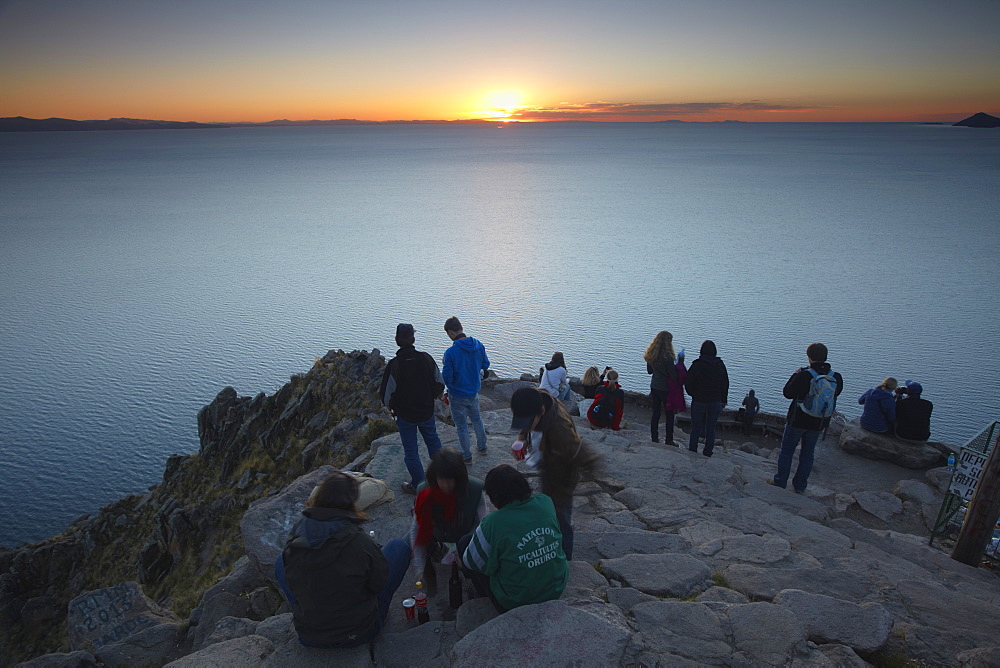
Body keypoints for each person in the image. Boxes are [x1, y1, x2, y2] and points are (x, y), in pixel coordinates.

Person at [275, 472, 410, 648]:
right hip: (361, 632)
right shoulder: (358, 541)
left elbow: (293, 581)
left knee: (280, 562)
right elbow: (378, 584)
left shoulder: (298, 531)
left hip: (309, 636)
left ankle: (311, 616)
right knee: (398, 547)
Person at [458, 465, 568, 612]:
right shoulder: (545, 502)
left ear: (496, 498)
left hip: (515, 601)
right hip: (556, 588)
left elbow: (471, 561)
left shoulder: (493, 522)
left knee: (465, 543)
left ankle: (484, 595)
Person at [509, 386, 600, 560]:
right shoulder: (537, 399)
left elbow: (586, 456)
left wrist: (591, 487)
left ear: (541, 411)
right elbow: (526, 426)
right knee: (548, 512)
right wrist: (521, 440)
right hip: (548, 466)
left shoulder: (561, 430)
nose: (526, 426)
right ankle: (550, 546)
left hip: (562, 478)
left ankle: (565, 560)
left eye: (528, 421)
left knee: (561, 519)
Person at [379, 323, 444, 494]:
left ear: (396, 340)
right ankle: (443, 477)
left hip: (405, 416)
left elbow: (386, 396)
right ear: (413, 339)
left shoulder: (394, 365)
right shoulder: (426, 358)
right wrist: (429, 397)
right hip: (426, 411)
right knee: (433, 441)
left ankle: (418, 485)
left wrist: (394, 407)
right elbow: (440, 383)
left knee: (411, 451)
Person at [771, 343, 844, 493]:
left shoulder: (804, 375)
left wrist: (795, 375)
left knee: (786, 452)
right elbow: (836, 394)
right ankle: (800, 486)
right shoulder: (835, 377)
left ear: (809, 357)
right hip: (819, 422)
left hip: (798, 420)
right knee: (807, 454)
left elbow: (787, 393)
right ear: (825, 357)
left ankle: (780, 482)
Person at [410, 448, 486, 590]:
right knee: (403, 545)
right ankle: (436, 552)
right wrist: (420, 568)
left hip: (465, 535)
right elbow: (417, 529)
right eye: (441, 480)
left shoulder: (474, 489)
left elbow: (482, 525)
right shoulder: (424, 492)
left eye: (450, 481)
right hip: (436, 533)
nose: (445, 486)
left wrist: (465, 553)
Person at [442, 316, 491, 463]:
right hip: (473, 391)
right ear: (461, 328)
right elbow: (485, 364)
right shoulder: (478, 345)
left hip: (457, 394)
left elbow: (447, 378)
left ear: (451, 332)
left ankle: (466, 456)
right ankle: (482, 447)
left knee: (461, 425)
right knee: (477, 420)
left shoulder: (450, 353)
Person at [684, 340, 729, 457]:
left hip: (699, 401)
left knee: (696, 428)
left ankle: (692, 450)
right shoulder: (720, 365)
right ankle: (708, 452)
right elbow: (725, 384)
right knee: (711, 429)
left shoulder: (697, 365)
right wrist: (723, 399)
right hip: (715, 401)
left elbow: (688, 382)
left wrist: (693, 394)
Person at [644, 331, 687, 444]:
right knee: (669, 415)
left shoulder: (651, 355)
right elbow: (673, 376)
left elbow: (649, 371)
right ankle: (669, 440)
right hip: (666, 389)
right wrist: (680, 363)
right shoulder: (667, 358)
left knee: (656, 413)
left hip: (654, 387)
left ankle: (654, 437)